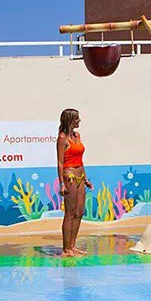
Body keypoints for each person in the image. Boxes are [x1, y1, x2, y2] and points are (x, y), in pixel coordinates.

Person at [57, 108, 92, 257]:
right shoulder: (62, 138)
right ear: (70, 120)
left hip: (80, 176)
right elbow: (60, 162)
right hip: (69, 176)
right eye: (77, 118)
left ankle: (73, 246)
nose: (79, 121)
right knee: (70, 213)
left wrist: (86, 178)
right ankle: (66, 249)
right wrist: (61, 183)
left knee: (79, 212)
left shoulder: (77, 135)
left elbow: (80, 160)